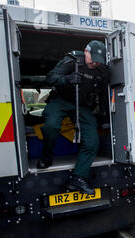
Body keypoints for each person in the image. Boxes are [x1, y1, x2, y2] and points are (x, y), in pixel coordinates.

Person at [37, 40, 109, 195]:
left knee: (92, 141)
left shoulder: (102, 71)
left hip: (82, 106)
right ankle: (47, 157)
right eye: (94, 58)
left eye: (99, 60)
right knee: (51, 126)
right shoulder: (73, 60)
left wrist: (103, 113)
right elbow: (50, 77)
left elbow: (103, 93)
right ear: (86, 51)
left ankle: (78, 178)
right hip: (61, 100)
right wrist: (67, 79)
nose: (96, 62)